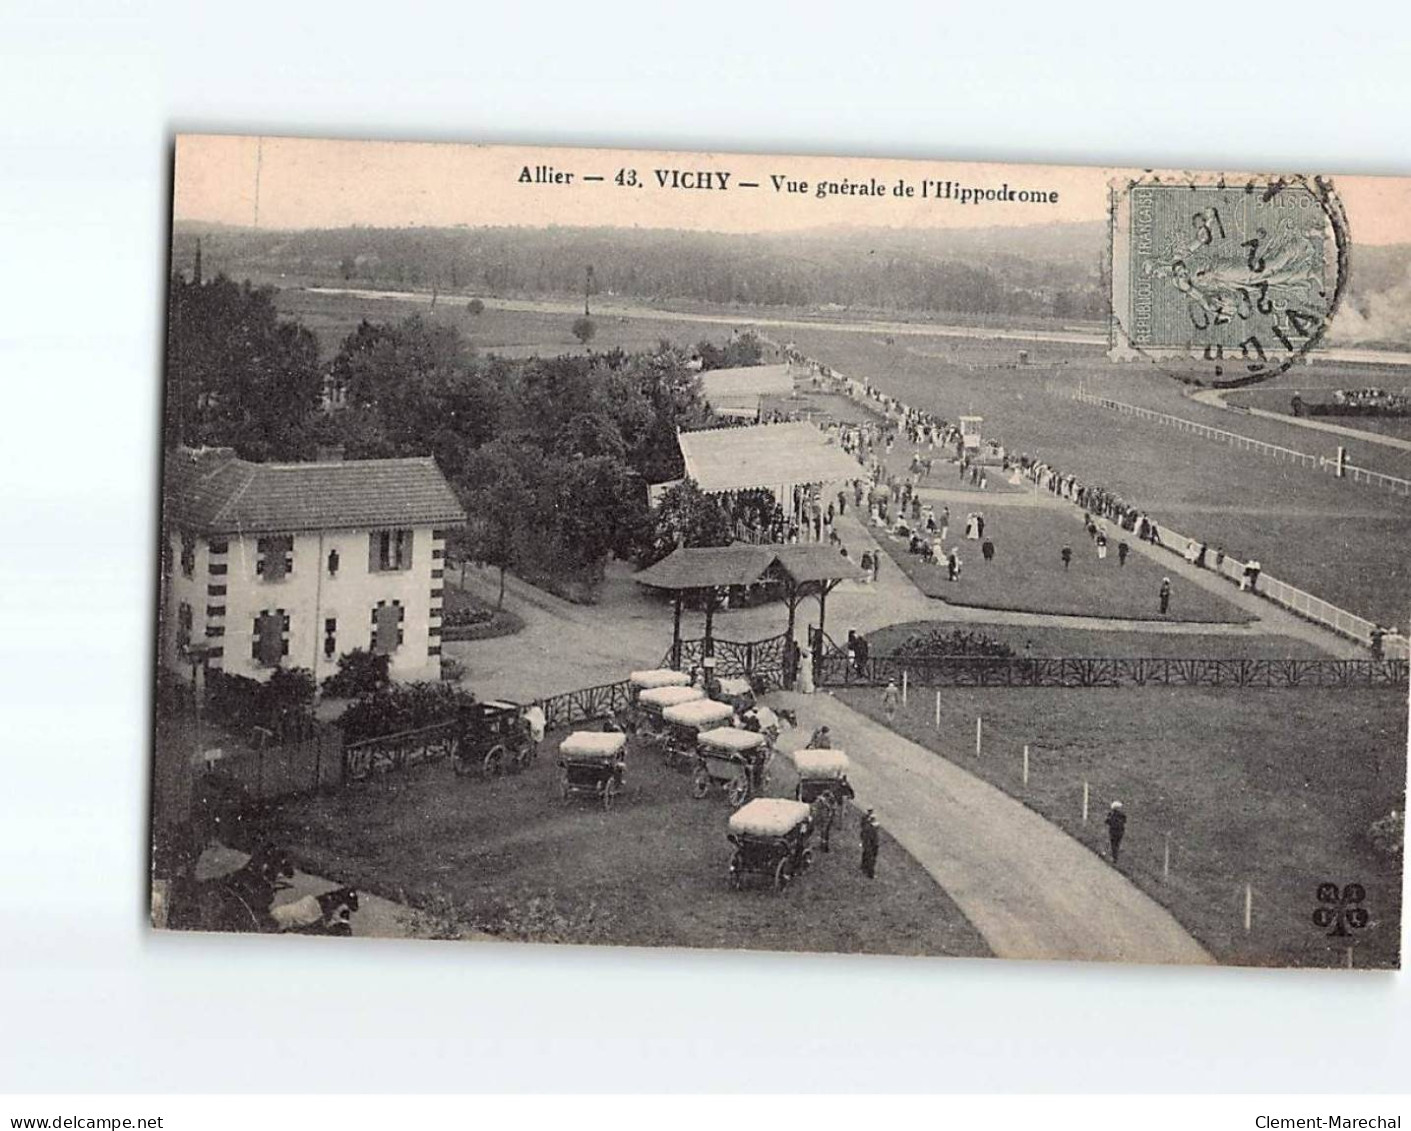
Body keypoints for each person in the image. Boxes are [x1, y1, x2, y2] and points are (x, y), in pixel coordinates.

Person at [860, 809, 880, 878]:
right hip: (871, 844)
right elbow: (874, 840)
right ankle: (870, 873)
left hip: (868, 843)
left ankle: (864, 867)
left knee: (866, 854)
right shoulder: (871, 830)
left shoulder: (866, 825)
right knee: (871, 858)